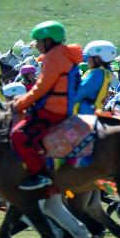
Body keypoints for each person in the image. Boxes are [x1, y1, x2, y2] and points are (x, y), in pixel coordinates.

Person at [9, 21, 83, 190]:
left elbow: (41, 88)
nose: (37, 46)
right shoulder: (64, 55)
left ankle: (39, 174)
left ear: (49, 41)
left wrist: (18, 105)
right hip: (63, 107)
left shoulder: (54, 56)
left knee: (18, 134)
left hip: (53, 110)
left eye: (38, 42)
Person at [74, 40, 115, 115]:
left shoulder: (97, 73)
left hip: (83, 114)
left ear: (98, 58)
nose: (88, 60)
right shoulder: (106, 72)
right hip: (92, 111)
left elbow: (79, 92)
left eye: (90, 57)